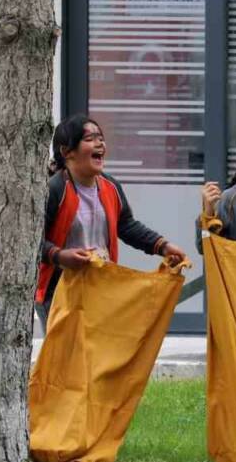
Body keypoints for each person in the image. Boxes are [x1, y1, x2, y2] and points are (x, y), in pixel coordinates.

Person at [38, 115, 185, 320]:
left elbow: (127, 226)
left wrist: (162, 246)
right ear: (66, 152)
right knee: (68, 343)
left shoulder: (111, 187)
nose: (100, 143)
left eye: (101, 138)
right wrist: (59, 256)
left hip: (101, 287)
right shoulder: (53, 190)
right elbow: (32, 242)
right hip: (58, 292)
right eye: (90, 139)